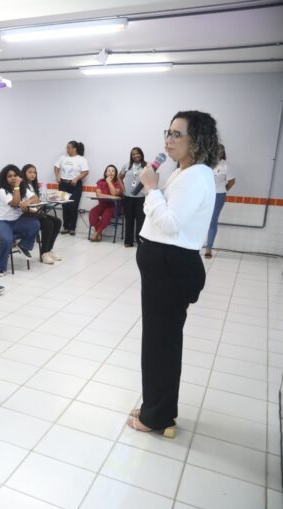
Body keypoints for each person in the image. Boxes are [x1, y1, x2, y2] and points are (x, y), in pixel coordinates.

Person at [129, 110, 218, 436]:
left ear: (198, 140)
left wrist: (152, 188)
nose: (169, 138)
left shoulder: (195, 175)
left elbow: (169, 223)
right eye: (168, 132)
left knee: (160, 345)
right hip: (164, 265)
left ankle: (156, 417)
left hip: (169, 267)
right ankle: (158, 407)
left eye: (178, 134)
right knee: (160, 342)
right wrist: (154, 190)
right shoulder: (186, 172)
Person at [0, 165, 40, 276]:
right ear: (5, 178)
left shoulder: (24, 188)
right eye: (9, 176)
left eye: (15, 175)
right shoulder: (2, 190)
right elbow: (14, 203)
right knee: (6, 239)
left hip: (16, 221)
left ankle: (23, 245)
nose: (13, 178)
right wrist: (17, 186)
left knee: (35, 224)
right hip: (0, 221)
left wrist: (28, 202)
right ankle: (0, 267)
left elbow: (36, 198)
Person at [22, 164, 62, 264]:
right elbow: (24, 203)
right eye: (30, 172)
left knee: (57, 221)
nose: (33, 174)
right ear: (24, 173)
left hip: (37, 212)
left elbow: (37, 200)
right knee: (48, 224)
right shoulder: (22, 186)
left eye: (34, 172)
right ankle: (44, 253)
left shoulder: (33, 185)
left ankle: (49, 250)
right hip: (27, 214)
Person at [53, 140, 89, 235]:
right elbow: (56, 167)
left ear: (74, 149)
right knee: (64, 206)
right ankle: (65, 227)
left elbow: (85, 172)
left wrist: (76, 178)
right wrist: (57, 176)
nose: (67, 149)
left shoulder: (81, 159)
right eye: (66, 148)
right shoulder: (63, 158)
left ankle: (72, 228)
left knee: (73, 206)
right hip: (63, 184)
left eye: (68, 148)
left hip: (75, 185)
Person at [205, 144, 235, 258]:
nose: (217, 153)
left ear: (222, 153)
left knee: (212, 221)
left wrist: (222, 191)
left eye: (220, 151)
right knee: (201, 219)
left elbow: (232, 181)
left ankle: (209, 248)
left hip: (218, 196)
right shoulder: (207, 164)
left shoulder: (225, 166)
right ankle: (196, 244)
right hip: (206, 196)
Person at [119, 147, 147, 247]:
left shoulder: (146, 166)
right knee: (129, 219)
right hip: (128, 197)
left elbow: (151, 179)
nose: (135, 156)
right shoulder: (127, 165)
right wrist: (123, 189)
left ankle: (140, 241)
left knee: (140, 220)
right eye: (133, 154)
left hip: (141, 197)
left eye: (137, 153)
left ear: (141, 154)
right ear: (131, 156)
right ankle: (128, 241)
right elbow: (119, 177)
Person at [88, 165, 123, 242]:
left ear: (116, 173)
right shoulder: (100, 182)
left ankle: (96, 232)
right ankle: (99, 232)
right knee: (93, 212)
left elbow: (114, 194)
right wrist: (110, 197)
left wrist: (109, 182)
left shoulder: (118, 182)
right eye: (108, 171)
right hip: (103, 205)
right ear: (105, 173)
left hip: (115, 207)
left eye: (113, 171)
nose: (110, 172)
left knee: (107, 212)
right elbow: (98, 195)